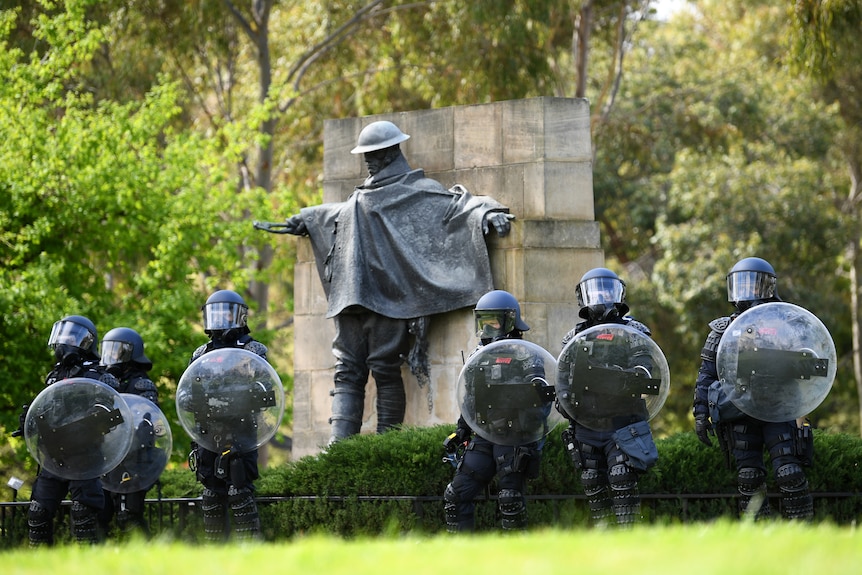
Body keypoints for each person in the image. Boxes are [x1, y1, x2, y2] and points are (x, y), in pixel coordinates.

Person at [255, 120, 514, 444]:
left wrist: (487, 213)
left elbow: (455, 207)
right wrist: (307, 218)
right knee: (347, 368)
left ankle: (383, 446)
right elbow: (346, 211)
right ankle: (338, 452)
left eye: (374, 154)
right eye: (367, 155)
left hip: (391, 296)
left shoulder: (418, 191)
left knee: (385, 367)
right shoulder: (362, 195)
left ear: (391, 152)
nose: (368, 160)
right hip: (352, 293)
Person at [693, 257, 814, 520]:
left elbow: (807, 364)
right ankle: (759, 537)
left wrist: (803, 411)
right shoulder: (722, 330)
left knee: (789, 473)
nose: (748, 291)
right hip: (739, 409)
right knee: (749, 478)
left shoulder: (786, 323)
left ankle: (803, 532)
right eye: (742, 284)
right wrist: (701, 414)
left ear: (768, 287)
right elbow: (706, 374)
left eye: (754, 284)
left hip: (779, 408)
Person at [442, 290, 552, 532]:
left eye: (494, 321)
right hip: (484, 436)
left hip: (514, 438)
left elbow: (539, 399)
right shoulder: (477, 356)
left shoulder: (526, 355)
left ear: (509, 321)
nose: (488, 327)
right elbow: (470, 400)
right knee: (455, 495)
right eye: (484, 321)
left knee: (510, 498)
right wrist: (461, 431)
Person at [556, 268, 658, 528]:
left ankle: (628, 539)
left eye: (606, 289)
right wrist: (565, 400)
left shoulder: (633, 331)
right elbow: (563, 379)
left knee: (621, 476)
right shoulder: (573, 337)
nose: (601, 296)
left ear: (618, 293)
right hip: (587, 424)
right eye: (595, 290)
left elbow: (645, 371)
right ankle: (603, 543)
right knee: (592, 481)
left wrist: (615, 378)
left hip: (623, 423)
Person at [23, 315, 121, 546]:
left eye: (70, 336)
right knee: (37, 513)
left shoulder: (99, 376)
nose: (63, 342)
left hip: (85, 456)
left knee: (83, 514)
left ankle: (87, 565)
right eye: (62, 335)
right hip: (54, 456)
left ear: (86, 341)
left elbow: (110, 412)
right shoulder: (54, 376)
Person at [187, 289, 269, 541]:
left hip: (241, 430)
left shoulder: (254, 349)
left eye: (226, 313)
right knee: (211, 493)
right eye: (216, 313)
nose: (221, 318)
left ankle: (250, 551)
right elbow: (190, 391)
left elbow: (265, 390)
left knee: (239, 489)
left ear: (240, 316)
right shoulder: (200, 354)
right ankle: (216, 553)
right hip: (208, 432)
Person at [98, 327, 159, 538]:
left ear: (130, 353)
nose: (111, 356)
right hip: (107, 458)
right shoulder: (103, 383)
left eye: (116, 351)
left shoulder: (141, 384)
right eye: (108, 350)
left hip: (134, 460)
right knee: (99, 514)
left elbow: (144, 422)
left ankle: (148, 555)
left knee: (128, 515)